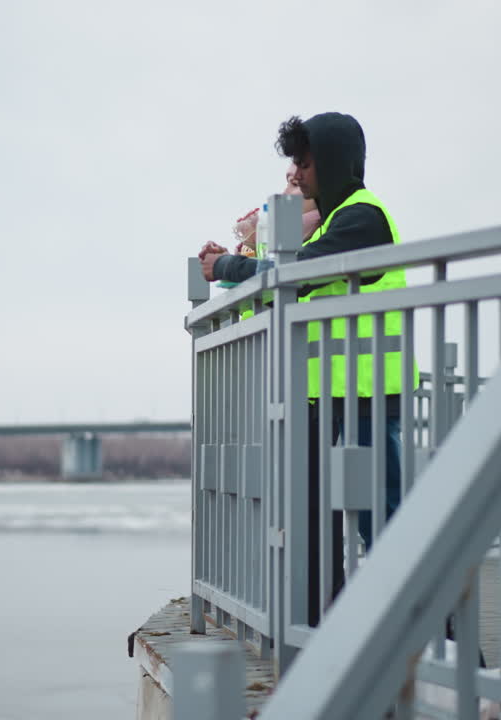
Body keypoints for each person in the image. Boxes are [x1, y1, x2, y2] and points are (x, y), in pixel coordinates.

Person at [198, 112, 413, 625]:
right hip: (322, 399)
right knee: (314, 529)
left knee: (384, 530)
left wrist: (227, 266)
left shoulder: (364, 217)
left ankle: (450, 648)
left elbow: (291, 276)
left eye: (306, 163)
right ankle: (327, 641)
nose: (299, 174)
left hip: (364, 397)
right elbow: (275, 295)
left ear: (334, 163)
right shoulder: (337, 221)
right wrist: (243, 257)